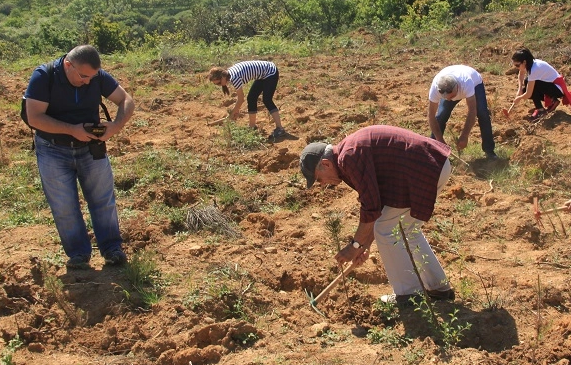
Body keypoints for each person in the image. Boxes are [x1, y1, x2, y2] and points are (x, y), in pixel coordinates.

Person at [300, 125, 455, 307]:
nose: (322, 184)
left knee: (386, 229)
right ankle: (439, 288)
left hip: (425, 169)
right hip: (434, 166)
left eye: (319, 178)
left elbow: (371, 208)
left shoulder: (348, 157)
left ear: (325, 164)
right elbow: (380, 207)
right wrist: (364, 246)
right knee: (404, 230)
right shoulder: (347, 157)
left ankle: (409, 296)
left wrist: (354, 246)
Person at [23, 45, 135, 269]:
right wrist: (71, 129)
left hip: (90, 149)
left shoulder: (95, 77)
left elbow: (126, 100)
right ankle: (78, 254)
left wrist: (115, 126)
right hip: (53, 149)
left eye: (92, 77)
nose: (87, 82)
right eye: (83, 76)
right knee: (64, 205)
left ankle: (112, 249)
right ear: (68, 65)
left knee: (103, 200)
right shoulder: (44, 76)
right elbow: (33, 117)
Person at [427, 64, 497, 160]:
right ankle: (434, 151)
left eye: (451, 96)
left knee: (482, 113)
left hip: (475, 82)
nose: (449, 99)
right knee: (441, 115)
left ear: (457, 87)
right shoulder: (436, 88)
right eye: (445, 98)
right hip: (452, 78)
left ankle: (489, 151)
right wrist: (440, 141)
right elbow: (431, 116)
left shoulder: (466, 82)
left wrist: (464, 136)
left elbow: (472, 111)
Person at [207, 60, 285, 139]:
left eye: (218, 83)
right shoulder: (228, 74)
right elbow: (241, 99)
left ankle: (280, 128)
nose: (218, 85)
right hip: (262, 74)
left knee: (267, 99)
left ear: (223, 77)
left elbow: (241, 99)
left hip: (270, 72)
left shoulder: (234, 78)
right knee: (251, 98)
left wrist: (233, 113)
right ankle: (252, 126)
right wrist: (235, 110)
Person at [510, 48, 571, 119]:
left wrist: (519, 98)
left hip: (557, 89)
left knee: (530, 83)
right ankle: (552, 101)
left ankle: (540, 109)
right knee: (526, 86)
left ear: (524, 62)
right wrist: (520, 89)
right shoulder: (530, 63)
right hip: (550, 86)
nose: (517, 68)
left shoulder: (534, 69)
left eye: (517, 65)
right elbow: (521, 74)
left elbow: (528, 94)